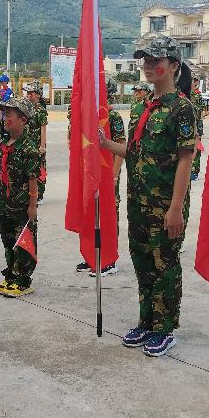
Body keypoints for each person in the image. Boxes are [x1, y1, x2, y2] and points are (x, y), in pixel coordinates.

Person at [99, 36, 197, 357]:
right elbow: (134, 151)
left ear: (173, 66)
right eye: (145, 61)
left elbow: (186, 159)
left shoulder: (182, 108)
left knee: (164, 263)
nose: (148, 66)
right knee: (142, 261)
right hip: (138, 201)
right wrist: (106, 144)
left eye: (155, 61)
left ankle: (164, 328)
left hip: (165, 204)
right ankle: (147, 320)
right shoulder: (141, 107)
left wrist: (176, 208)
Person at [0, 96, 40, 298]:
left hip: (21, 206)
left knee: (23, 242)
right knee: (8, 240)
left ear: (23, 120)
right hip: (5, 203)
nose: (5, 118)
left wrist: (33, 206)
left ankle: (23, 280)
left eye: (9, 114)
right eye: (4, 114)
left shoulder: (28, 148)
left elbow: (33, 179)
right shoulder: (4, 144)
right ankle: (11, 274)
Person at [77, 78, 125, 277]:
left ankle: (109, 260)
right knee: (91, 214)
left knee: (107, 215)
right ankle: (93, 255)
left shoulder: (112, 116)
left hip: (107, 174)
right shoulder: (88, 115)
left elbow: (122, 145)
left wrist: (114, 174)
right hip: (90, 173)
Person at [23, 81, 48, 204]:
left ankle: (40, 194)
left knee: (39, 168)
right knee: (28, 169)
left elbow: (43, 128)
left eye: (31, 93)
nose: (28, 95)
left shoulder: (40, 110)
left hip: (37, 144)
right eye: (27, 93)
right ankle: (30, 193)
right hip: (27, 144)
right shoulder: (26, 108)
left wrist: (42, 146)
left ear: (37, 94)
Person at [189, 86, 207, 181]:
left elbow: (201, 110)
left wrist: (199, 131)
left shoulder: (197, 95)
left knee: (196, 147)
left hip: (196, 124)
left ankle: (194, 170)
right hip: (189, 124)